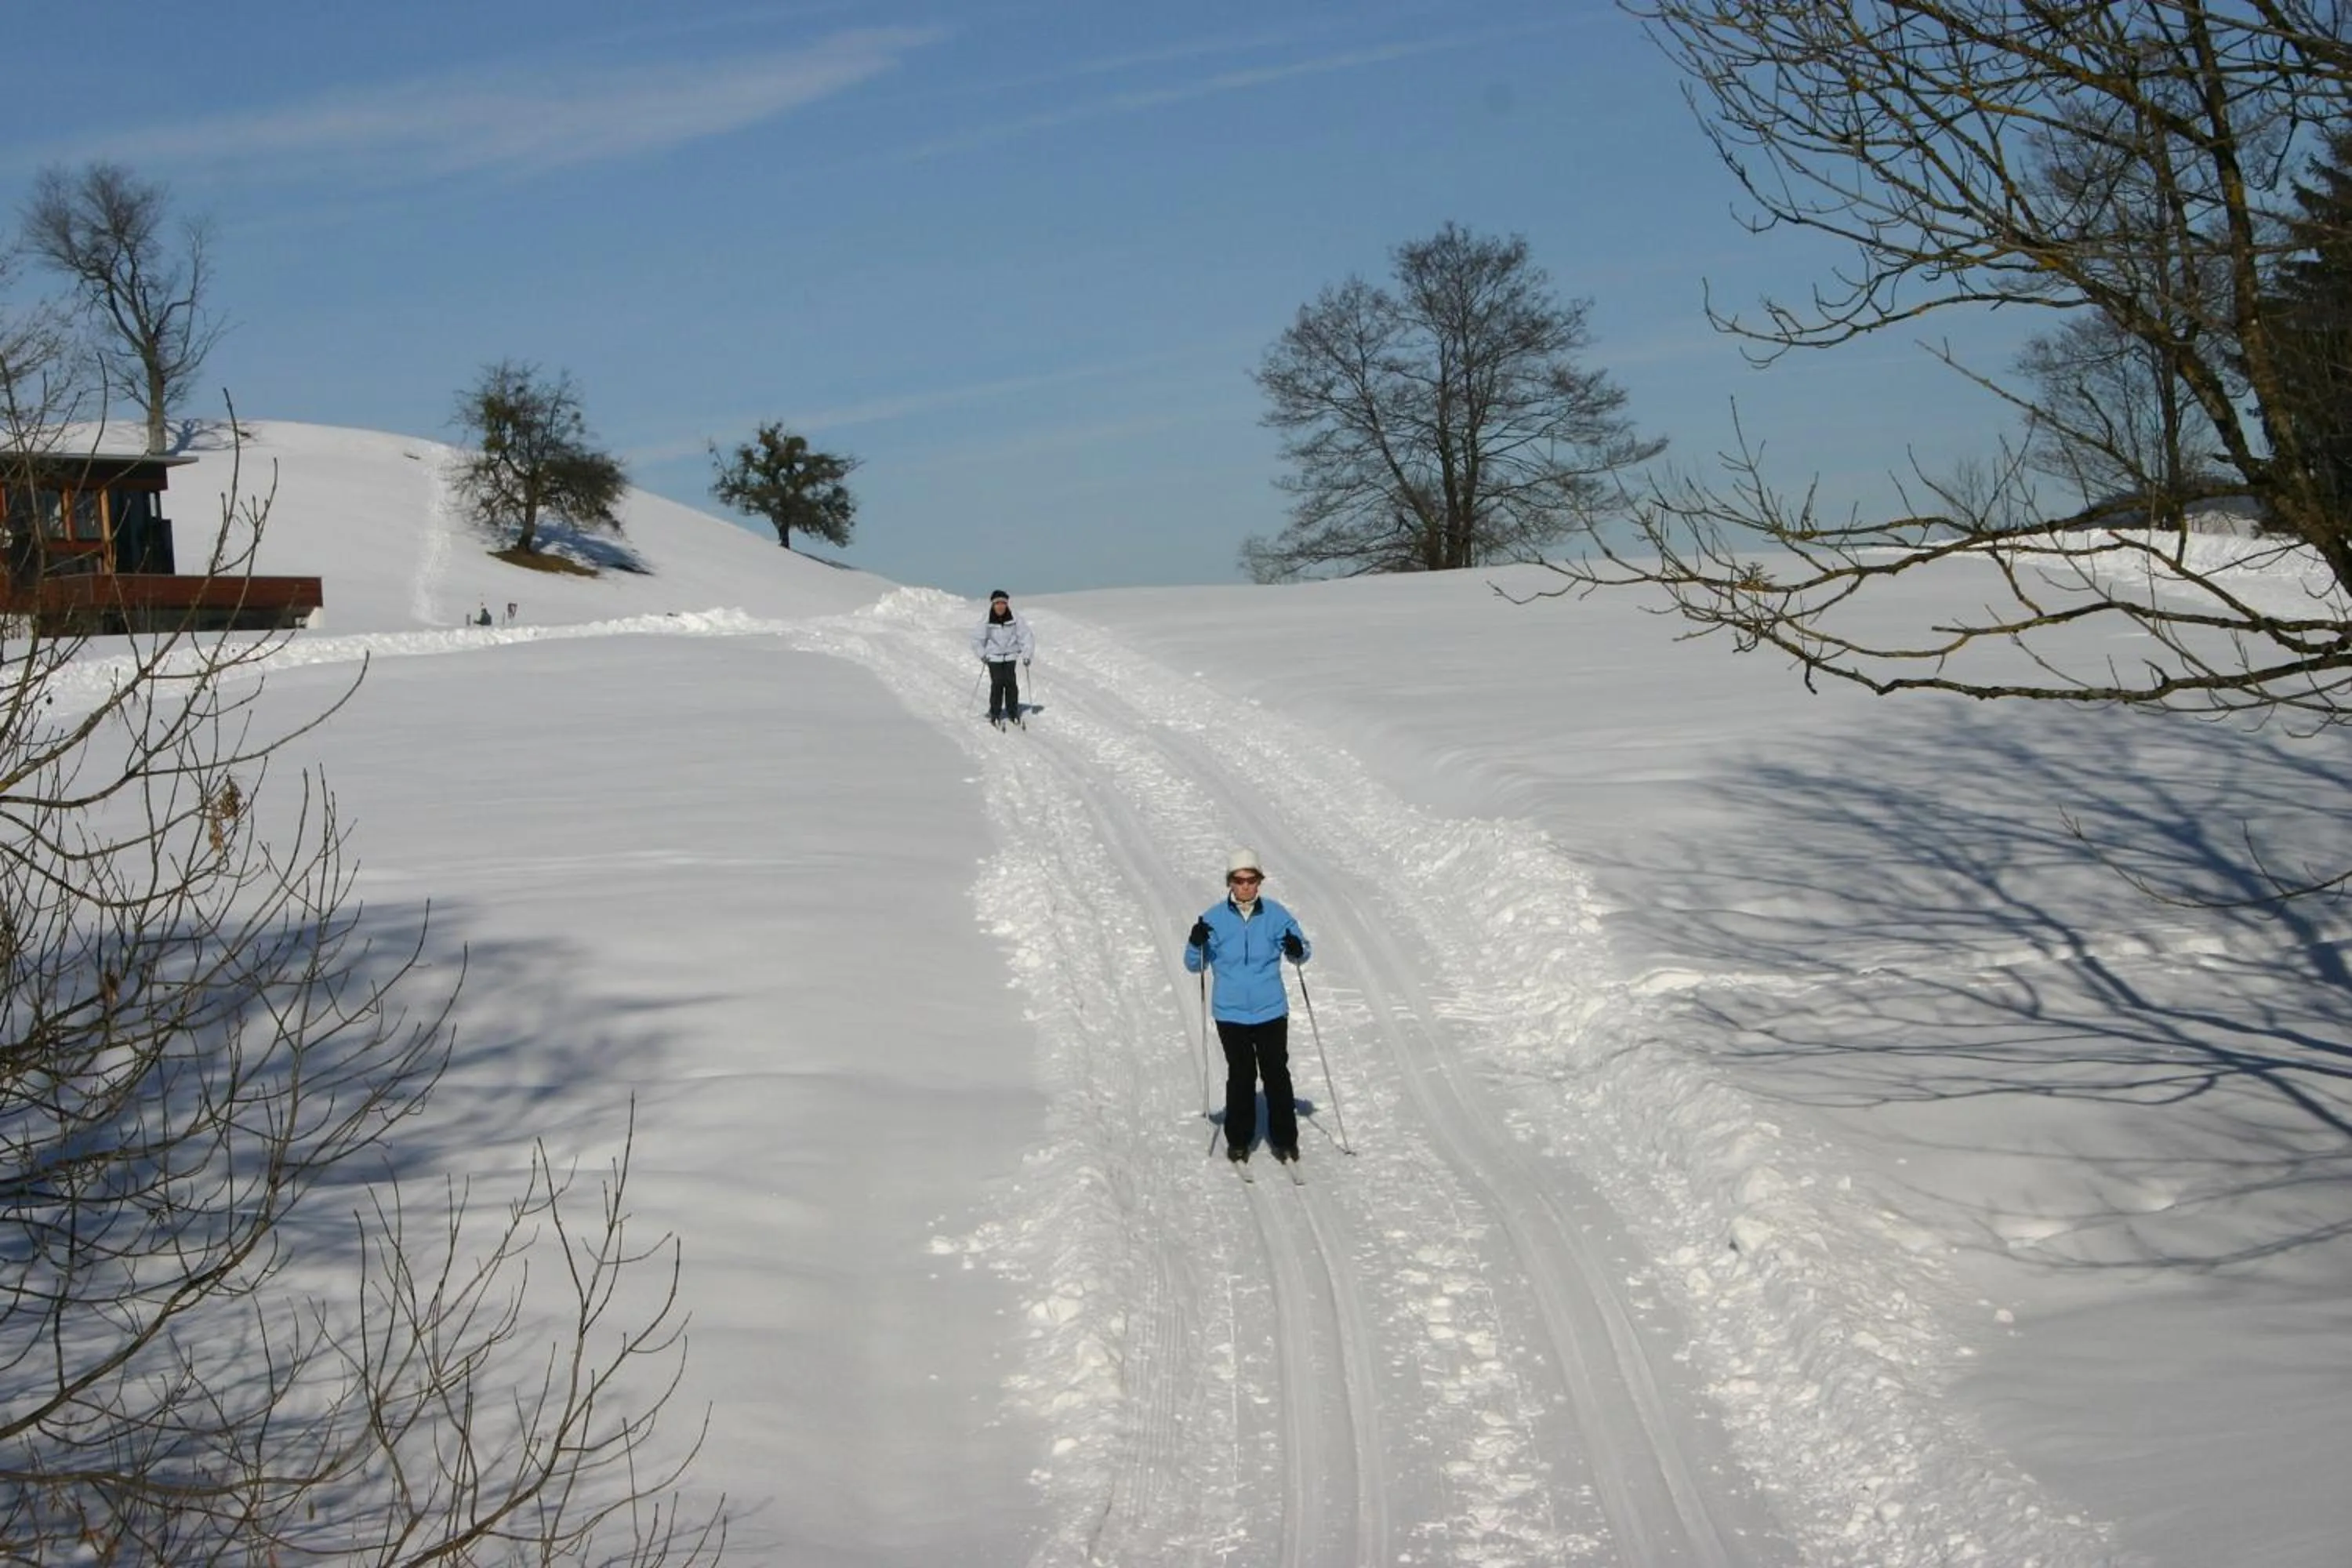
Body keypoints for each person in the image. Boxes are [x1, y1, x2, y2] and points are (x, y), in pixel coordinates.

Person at [1183, 848, 1311, 1165]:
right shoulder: (1212, 918)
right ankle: (1239, 1140)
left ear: (1259, 882)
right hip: (1231, 1012)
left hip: (1270, 1010)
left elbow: (1302, 952)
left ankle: (1285, 1140)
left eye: (1251, 880)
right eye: (1239, 881)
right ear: (1230, 882)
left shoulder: (1276, 915)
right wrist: (1196, 941)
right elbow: (1193, 964)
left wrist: (1297, 947)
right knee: (1241, 1076)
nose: (1245, 887)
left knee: (1276, 1074)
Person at [969, 589, 1034, 729]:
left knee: (1011, 684)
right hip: (993, 657)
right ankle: (995, 713)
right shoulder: (987, 619)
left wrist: (1027, 654)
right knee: (998, 683)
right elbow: (977, 639)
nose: (1000, 606)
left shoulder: (1014, 617)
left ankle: (1013, 711)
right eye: (997, 603)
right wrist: (983, 654)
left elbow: (1026, 636)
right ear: (993, 604)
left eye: (1003, 603)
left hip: (1010, 655)